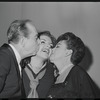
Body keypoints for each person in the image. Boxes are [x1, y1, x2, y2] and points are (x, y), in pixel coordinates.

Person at [47, 32, 100, 98]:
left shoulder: (78, 74)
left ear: (68, 52)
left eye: (58, 46)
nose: (52, 49)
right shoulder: (53, 76)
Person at [0, 19, 39, 98]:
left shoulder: (14, 59)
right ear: (23, 41)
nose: (38, 42)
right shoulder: (4, 55)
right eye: (36, 38)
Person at [22, 31, 56, 98]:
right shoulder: (18, 66)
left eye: (51, 45)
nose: (48, 46)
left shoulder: (53, 72)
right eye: (43, 42)